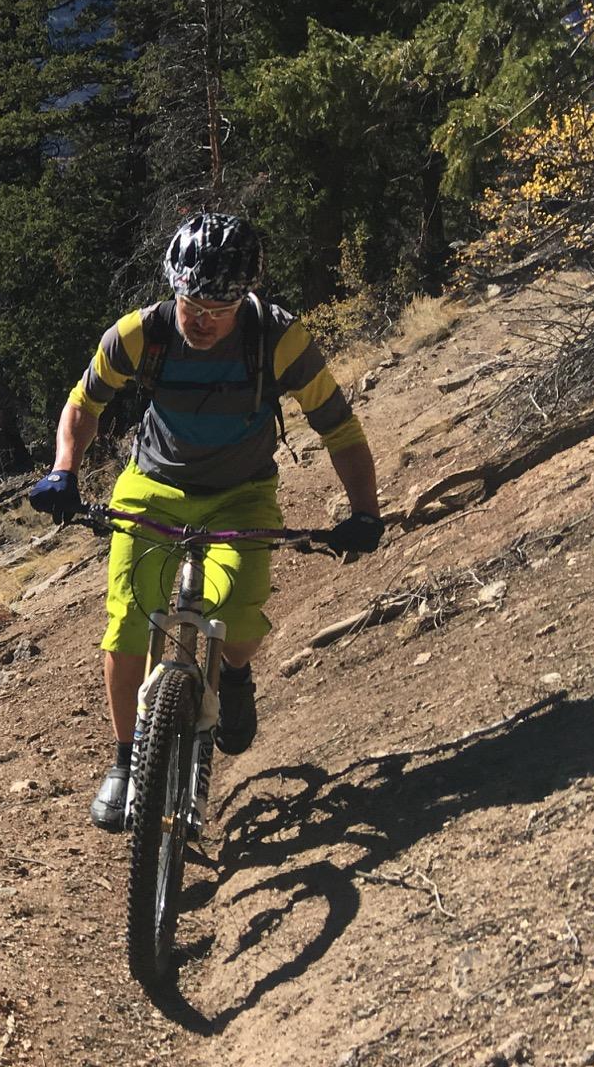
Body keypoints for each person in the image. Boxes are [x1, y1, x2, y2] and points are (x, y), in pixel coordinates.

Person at [27, 213, 384, 831]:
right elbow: (84, 404)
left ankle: (235, 675)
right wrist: (64, 469)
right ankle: (125, 762)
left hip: (240, 494)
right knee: (128, 620)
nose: (201, 318)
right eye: (191, 300)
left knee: (241, 611)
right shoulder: (141, 334)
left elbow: (340, 429)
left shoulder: (278, 339)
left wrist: (364, 511)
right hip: (152, 488)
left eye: (219, 306)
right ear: (174, 287)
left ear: (244, 296)